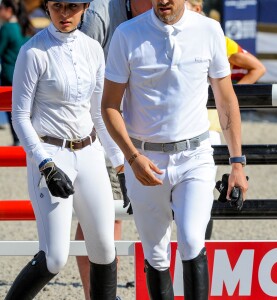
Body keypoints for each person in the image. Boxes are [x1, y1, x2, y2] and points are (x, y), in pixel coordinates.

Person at [101, 1, 248, 299]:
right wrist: (131, 158)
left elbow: (226, 99)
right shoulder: (126, 34)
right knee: (156, 253)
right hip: (145, 159)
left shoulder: (210, 30)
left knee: (193, 241)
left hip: (195, 155)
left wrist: (237, 164)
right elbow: (108, 106)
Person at [6, 0, 124, 299]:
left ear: (84, 7)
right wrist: (45, 163)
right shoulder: (32, 51)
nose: (64, 14)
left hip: (90, 152)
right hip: (51, 152)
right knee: (55, 257)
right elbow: (20, 117)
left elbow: (99, 112)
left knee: (105, 249)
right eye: (57, 6)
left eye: (72, 6)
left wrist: (120, 163)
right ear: (47, 7)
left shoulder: (94, 49)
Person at [75, 1, 152, 299]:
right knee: (106, 215)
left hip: (144, 126)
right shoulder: (100, 12)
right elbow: (81, 70)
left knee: (118, 214)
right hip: (107, 128)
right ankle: (100, 294)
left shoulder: (164, 8)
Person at [186, 0, 266, 240]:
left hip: (208, 126)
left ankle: (198, 252)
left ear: (197, 9)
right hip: (178, 128)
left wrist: (230, 96)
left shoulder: (216, 38)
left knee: (198, 197)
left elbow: (257, 68)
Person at [0, 0, 34, 145]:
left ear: (8, 9)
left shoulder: (7, 28)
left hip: (9, 75)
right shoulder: (26, 27)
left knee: (12, 111)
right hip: (27, 76)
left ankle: (17, 140)